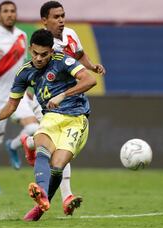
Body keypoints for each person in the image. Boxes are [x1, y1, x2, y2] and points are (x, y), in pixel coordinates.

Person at [0, 29, 97, 221]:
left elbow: (90, 79)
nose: (39, 58)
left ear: (51, 51)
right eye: (35, 53)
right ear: (30, 50)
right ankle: (40, 190)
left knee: (57, 167)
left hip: (76, 120)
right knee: (43, 149)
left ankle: (40, 207)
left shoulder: (63, 61)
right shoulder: (25, 72)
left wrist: (63, 95)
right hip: (51, 117)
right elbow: (12, 104)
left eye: (44, 54)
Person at [18, 0, 106, 215]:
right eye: (56, 17)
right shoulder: (43, 46)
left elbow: (79, 54)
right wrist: (30, 92)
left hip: (69, 101)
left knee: (57, 148)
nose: (61, 20)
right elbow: (30, 71)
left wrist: (92, 65)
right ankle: (65, 195)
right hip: (48, 100)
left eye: (63, 15)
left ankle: (28, 143)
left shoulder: (71, 35)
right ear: (44, 21)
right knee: (54, 146)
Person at [0, 1, 39, 193]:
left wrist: (26, 86)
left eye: (12, 11)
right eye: (5, 11)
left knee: (34, 128)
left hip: (16, 94)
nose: (10, 14)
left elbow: (23, 65)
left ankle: (13, 146)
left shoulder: (22, 35)